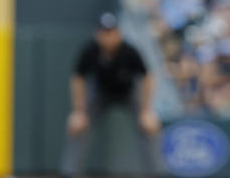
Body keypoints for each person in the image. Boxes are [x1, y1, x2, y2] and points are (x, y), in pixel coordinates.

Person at [60, 12, 161, 177]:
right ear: (97, 34)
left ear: (118, 33)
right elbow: (78, 79)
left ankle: (157, 173)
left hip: (128, 92)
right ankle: (69, 173)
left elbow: (148, 78)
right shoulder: (90, 50)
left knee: (148, 126)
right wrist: (78, 111)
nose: (107, 36)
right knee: (77, 126)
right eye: (104, 32)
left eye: (111, 32)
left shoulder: (129, 51)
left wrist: (146, 110)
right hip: (101, 93)